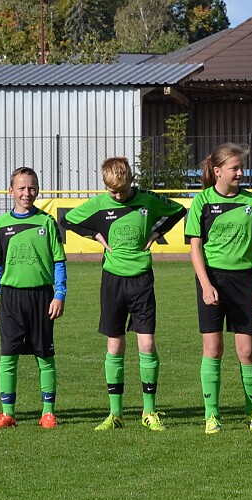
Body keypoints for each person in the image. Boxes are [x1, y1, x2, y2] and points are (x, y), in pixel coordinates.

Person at [62, 157, 185, 431]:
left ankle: (148, 412)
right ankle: (114, 414)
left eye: (121, 190)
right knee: (115, 346)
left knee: (147, 344)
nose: (116, 195)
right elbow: (67, 220)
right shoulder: (99, 203)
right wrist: (95, 236)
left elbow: (177, 212)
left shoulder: (147, 201)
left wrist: (156, 232)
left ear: (130, 180)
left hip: (141, 280)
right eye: (111, 191)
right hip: (112, 281)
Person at [184, 143, 252, 434]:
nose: (240, 173)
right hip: (213, 280)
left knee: (246, 350)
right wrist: (206, 284)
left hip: (244, 281)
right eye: (235, 168)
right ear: (218, 171)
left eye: (241, 168)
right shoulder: (202, 202)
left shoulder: (251, 202)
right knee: (213, 348)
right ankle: (211, 415)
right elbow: (195, 247)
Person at [0, 167, 66, 429]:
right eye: (21, 188)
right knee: (8, 356)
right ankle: (7, 413)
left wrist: (59, 294)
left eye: (31, 188)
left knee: (44, 356)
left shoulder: (46, 223)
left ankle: (47, 412)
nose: (26, 193)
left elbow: (59, 262)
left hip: (41, 297)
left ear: (38, 189)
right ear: (11, 191)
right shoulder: (1, 225)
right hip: (11, 298)